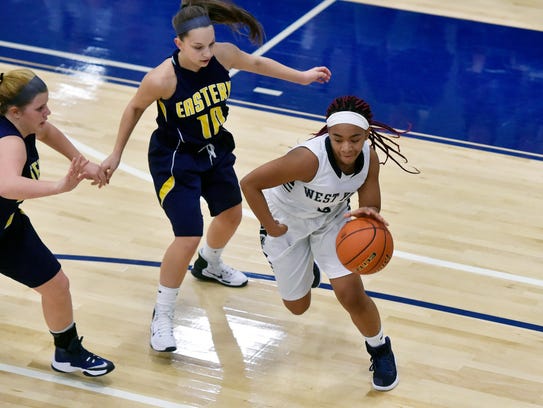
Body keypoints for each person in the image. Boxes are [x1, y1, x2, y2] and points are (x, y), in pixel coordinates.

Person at [100, 0, 331, 353]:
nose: (206, 53)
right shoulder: (162, 78)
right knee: (187, 235)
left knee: (231, 214)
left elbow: (254, 62)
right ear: (179, 44)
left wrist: (301, 77)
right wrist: (115, 154)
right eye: (197, 47)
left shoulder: (222, 55)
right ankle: (162, 315)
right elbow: (134, 107)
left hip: (213, 149)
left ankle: (210, 264)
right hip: (175, 160)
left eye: (210, 44)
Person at [240, 95, 418, 391]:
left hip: (332, 222)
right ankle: (307, 267)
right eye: (338, 139)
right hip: (286, 224)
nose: (347, 147)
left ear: (367, 135)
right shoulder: (307, 160)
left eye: (355, 139)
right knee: (297, 307)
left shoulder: (369, 157)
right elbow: (249, 183)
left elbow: (370, 198)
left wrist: (369, 215)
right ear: (328, 135)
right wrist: (270, 227)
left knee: (351, 294)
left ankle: (380, 348)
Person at [0, 68, 114, 377]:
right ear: (14, 112)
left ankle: (67, 352)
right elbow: (7, 185)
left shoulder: (23, 125)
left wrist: (82, 162)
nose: (47, 112)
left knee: (57, 284)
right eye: (40, 108)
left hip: (6, 228)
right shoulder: (9, 142)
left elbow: (47, 131)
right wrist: (60, 186)